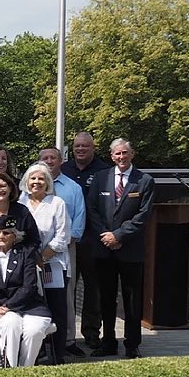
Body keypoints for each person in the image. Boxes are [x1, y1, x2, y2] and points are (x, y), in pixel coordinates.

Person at [87, 138, 154, 359]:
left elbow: (143, 215)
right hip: (104, 249)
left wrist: (119, 235)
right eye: (117, 154)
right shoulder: (100, 178)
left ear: (132, 153)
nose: (121, 157)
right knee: (106, 298)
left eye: (125, 153)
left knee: (132, 300)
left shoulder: (144, 180)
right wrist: (106, 236)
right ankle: (108, 342)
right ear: (111, 155)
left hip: (130, 249)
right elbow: (92, 210)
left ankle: (132, 344)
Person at [0, 214, 53, 368]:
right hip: (1, 309)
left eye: (6, 232)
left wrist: (7, 306)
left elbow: (29, 287)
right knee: (11, 325)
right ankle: (9, 371)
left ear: (15, 236)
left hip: (29, 306)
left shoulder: (27, 254)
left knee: (34, 331)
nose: (0, 236)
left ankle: (25, 371)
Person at [62, 131, 112, 352]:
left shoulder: (104, 171)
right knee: (67, 288)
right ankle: (67, 334)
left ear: (93, 148)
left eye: (85, 146)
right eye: (77, 146)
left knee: (93, 288)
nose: (80, 149)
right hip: (67, 240)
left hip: (93, 239)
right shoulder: (64, 170)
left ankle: (92, 332)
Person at [18, 161, 71, 361]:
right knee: (33, 310)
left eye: (41, 178)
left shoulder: (57, 203)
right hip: (27, 266)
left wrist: (43, 257)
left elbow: (63, 236)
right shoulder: (21, 204)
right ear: (26, 181)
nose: (37, 182)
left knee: (57, 309)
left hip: (53, 265)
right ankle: (36, 355)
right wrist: (31, 259)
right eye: (33, 178)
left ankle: (58, 355)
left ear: (47, 182)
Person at [39, 145, 87, 357]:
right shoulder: (29, 187)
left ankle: (67, 339)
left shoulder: (72, 187)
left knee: (65, 296)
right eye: (45, 158)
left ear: (61, 161)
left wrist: (57, 247)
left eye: (53, 158)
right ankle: (40, 341)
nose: (49, 161)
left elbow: (78, 221)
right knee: (37, 294)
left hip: (64, 250)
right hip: (34, 254)